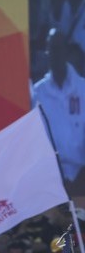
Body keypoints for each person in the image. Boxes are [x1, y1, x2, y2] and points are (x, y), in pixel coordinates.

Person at [32, 28, 85, 184]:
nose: (56, 53)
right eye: (52, 48)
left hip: (82, 175)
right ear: (46, 53)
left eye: (59, 48)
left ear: (67, 51)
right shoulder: (37, 93)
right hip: (50, 177)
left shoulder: (82, 89)